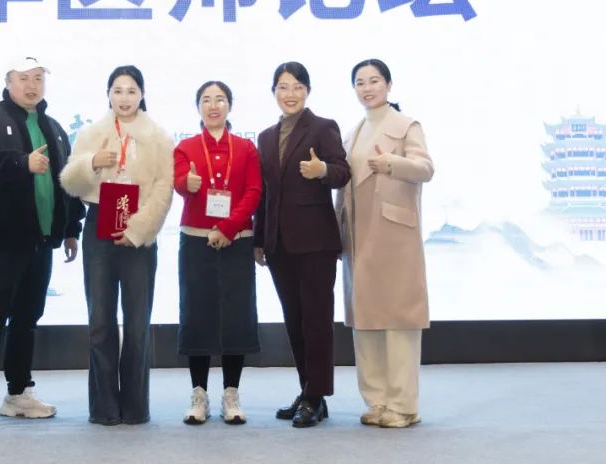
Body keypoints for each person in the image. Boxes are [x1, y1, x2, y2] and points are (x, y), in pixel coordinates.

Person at [0, 56, 84, 433]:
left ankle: (18, 393)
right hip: (0, 239)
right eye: (24, 78)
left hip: (41, 241)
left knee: (28, 317)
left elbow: (67, 180)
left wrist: (71, 228)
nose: (32, 86)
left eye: (38, 78)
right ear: (8, 81)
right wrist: (20, 163)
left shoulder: (54, 127)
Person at [60, 65, 174, 426]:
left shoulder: (158, 136)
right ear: (108, 94)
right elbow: (70, 183)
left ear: (142, 94)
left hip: (139, 229)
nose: (124, 98)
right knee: (100, 321)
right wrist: (92, 163)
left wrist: (138, 230)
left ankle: (136, 407)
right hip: (99, 227)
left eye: (131, 91)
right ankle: (104, 407)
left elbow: (163, 189)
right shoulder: (92, 133)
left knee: (138, 323)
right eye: (117, 90)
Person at [337, 59, 434, 429]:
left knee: (398, 319)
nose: (367, 88)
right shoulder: (353, 132)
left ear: (389, 85)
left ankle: (404, 404)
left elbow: (425, 169)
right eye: (360, 82)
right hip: (359, 237)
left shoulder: (407, 125)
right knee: (366, 320)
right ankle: (376, 400)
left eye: (374, 80)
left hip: (394, 237)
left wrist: (392, 163)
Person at [254, 61, 350, 428]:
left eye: (297, 87)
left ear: (307, 91)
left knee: (316, 322)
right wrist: (260, 239)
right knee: (294, 320)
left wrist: (322, 170)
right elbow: (265, 194)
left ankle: (316, 396)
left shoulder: (323, 127)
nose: (290, 94)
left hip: (315, 242)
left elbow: (342, 171)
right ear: (274, 92)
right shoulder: (265, 137)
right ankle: (307, 390)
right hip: (278, 244)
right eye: (283, 87)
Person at [173, 81, 262, 425]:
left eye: (220, 99)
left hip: (236, 239)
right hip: (196, 240)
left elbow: (254, 190)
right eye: (206, 100)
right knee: (197, 313)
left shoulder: (246, 147)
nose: (213, 106)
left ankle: (231, 393)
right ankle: (199, 394)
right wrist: (188, 184)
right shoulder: (185, 147)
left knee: (236, 315)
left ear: (230, 106)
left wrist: (227, 227)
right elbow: (178, 181)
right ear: (198, 107)